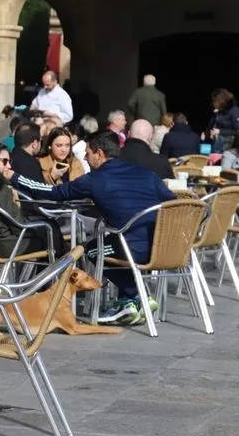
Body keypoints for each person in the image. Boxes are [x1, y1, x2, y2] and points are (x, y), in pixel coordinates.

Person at [9, 131, 175, 325]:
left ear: (99, 153)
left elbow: (52, 192)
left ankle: (135, 296)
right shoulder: (148, 175)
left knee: (91, 250)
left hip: (133, 249)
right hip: (164, 247)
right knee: (111, 242)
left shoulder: (95, 179)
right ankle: (128, 300)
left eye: (87, 153)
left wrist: (15, 177)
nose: (85, 159)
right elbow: (175, 203)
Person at [206, 88, 239, 153]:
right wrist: (208, 133)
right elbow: (212, 126)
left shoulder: (235, 112)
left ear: (220, 101)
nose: (213, 103)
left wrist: (220, 132)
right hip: (217, 144)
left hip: (229, 146)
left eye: (214, 101)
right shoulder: (219, 111)